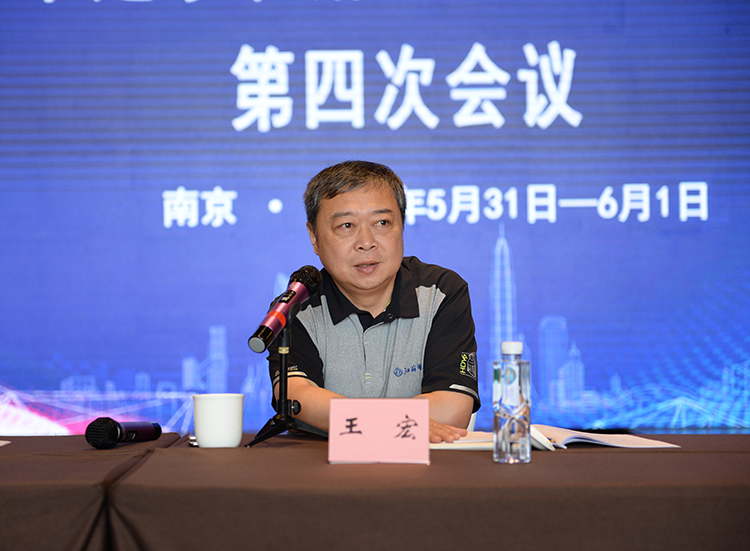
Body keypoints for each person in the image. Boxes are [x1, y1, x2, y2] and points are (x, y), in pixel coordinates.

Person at [267, 160, 480, 443]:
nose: (366, 242)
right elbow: (296, 396)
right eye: (346, 225)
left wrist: (359, 419)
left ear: (401, 226)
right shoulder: (296, 307)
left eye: (382, 223)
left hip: (420, 464)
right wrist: (393, 421)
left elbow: (453, 409)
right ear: (314, 237)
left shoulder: (440, 292)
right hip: (320, 461)